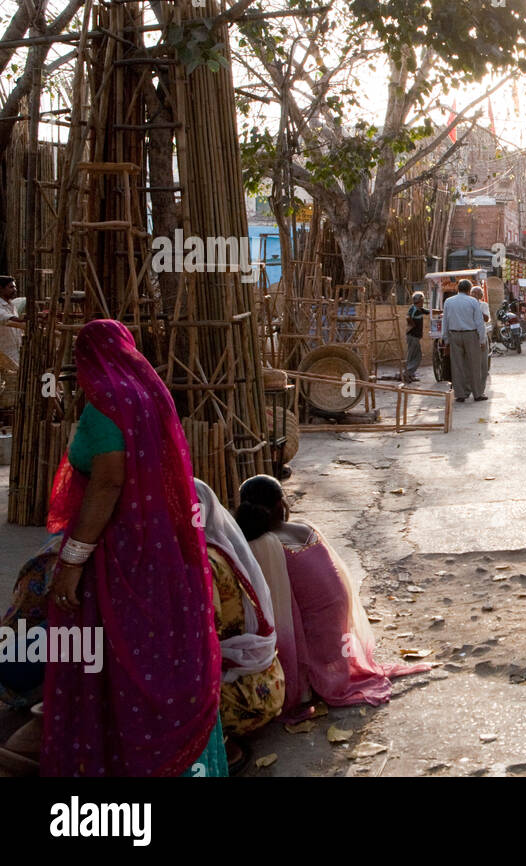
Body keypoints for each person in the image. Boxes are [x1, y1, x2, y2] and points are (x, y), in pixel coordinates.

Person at [42, 319, 225, 777]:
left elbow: (106, 483)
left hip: (119, 557)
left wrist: (71, 561)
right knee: (163, 655)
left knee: (118, 661)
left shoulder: (105, 406)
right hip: (164, 553)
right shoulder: (149, 396)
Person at [235, 475, 433, 721]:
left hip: (318, 629)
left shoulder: (265, 544)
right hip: (337, 623)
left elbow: (271, 603)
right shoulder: (305, 527)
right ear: (281, 505)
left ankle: (303, 681)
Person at [193, 480, 285, 747]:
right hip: (268, 680)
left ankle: (222, 748)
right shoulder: (225, 548)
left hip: (246, 700)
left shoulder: (205, 563)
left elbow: (206, 633)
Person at [443, 279, 486, 402]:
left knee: (457, 366)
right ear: (469, 290)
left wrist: (446, 340)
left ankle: (460, 394)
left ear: (458, 289)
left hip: (454, 335)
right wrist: (482, 340)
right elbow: (479, 322)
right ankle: (477, 394)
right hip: (471, 335)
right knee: (474, 365)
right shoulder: (473, 301)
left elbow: (445, 321)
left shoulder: (448, 301)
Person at [404, 291, 433, 383]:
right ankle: (408, 373)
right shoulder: (414, 309)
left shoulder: (418, 309)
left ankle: (410, 374)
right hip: (413, 336)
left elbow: (429, 312)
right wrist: (412, 325)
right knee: (416, 356)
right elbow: (408, 317)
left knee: (412, 355)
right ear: (420, 301)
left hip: (413, 336)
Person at [470, 285, 492, 395]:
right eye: (472, 293)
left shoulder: (483, 305)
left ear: (481, 296)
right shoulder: (466, 304)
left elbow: (486, 318)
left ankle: (479, 390)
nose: (474, 295)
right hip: (470, 334)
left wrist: (477, 310)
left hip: (480, 334)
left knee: (482, 364)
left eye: (476, 293)